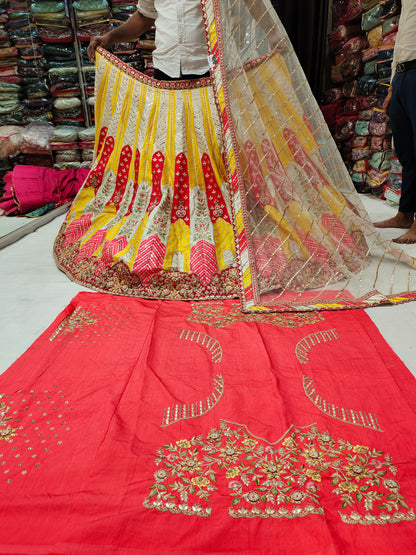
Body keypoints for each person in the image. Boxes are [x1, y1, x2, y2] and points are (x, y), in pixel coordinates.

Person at [374, 0, 416, 244]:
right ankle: (405, 214)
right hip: (401, 76)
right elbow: (403, 41)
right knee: (407, 153)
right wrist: (392, 87)